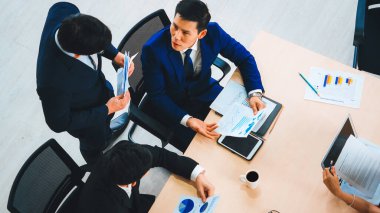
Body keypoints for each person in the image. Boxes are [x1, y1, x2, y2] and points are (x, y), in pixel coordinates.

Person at [141, 0, 265, 152]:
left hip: (205, 90)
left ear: (202, 34)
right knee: (207, 150)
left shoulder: (214, 33)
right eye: (175, 26)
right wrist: (188, 120)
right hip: (173, 106)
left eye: (185, 32)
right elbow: (157, 95)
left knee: (251, 128)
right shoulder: (152, 49)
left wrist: (254, 93)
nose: (176, 37)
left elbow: (245, 58)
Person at [36, 2, 133, 164]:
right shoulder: (53, 83)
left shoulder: (65, 10)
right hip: (87, 121)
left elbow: (93, 37)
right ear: (76, 55)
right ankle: (96, 161)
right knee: (94, 143)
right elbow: (58, 123)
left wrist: (115, 54)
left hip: (98, 90)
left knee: (105, 128)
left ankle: (108, 131)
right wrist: (107, 109)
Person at [75, 140, 215, 213]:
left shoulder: (126, 152)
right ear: (133, 182)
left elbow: (160, 155)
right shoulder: (107, 207)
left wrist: (197, 175)